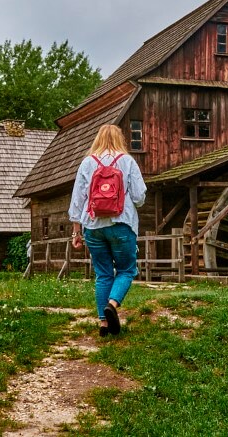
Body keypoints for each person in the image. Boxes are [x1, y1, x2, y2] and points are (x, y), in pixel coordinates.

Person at [69, 124, 147, 337]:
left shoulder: (87, 163)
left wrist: (76, 232)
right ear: (120, 139)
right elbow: (139, 197)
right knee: (126, 270)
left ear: (98, 139)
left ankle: (104, 324)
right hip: (121, 223)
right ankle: (112, 305)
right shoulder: (127, 161)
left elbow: (77, 199)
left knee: (103, 274)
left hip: (93, 227)